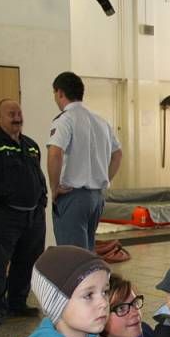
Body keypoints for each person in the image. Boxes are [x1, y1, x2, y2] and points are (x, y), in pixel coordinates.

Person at [0, 99, 46, 329]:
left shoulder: (31, 145)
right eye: (11, 113)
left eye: (19, 112)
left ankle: (17, 302)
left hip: (32, 217)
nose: (17, 117)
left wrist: (42, 200)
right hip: (4, 216)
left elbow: (38, 177)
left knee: (26, 261)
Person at [47, 71, 122, 251]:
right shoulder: (101, 121)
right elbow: (117, 154)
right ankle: (90, 280)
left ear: (59, 93)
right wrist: (104, 179)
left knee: (72, 256)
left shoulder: (65, 120)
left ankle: (79, 280)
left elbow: (55, 153)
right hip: (96, 198)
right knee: (87, 252)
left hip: (73, 196)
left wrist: (54, 186)